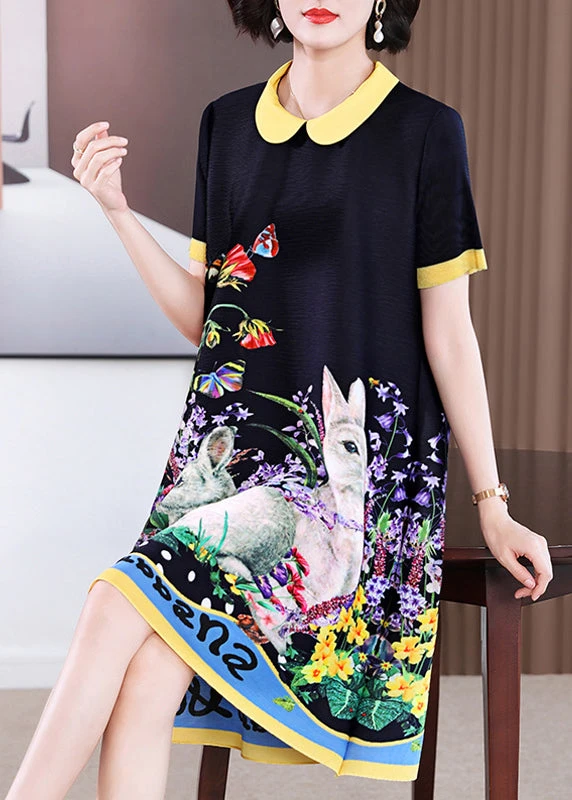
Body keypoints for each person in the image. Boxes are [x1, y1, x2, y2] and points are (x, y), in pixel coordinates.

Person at [7, 0, 554, 796]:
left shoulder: (425, 133)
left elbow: (449, 334)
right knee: (147, 662)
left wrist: (491, 502)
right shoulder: (226, 125)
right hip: (230, 466)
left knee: (115, 612)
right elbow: (211, 317)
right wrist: (119, 215)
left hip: (344, 490)